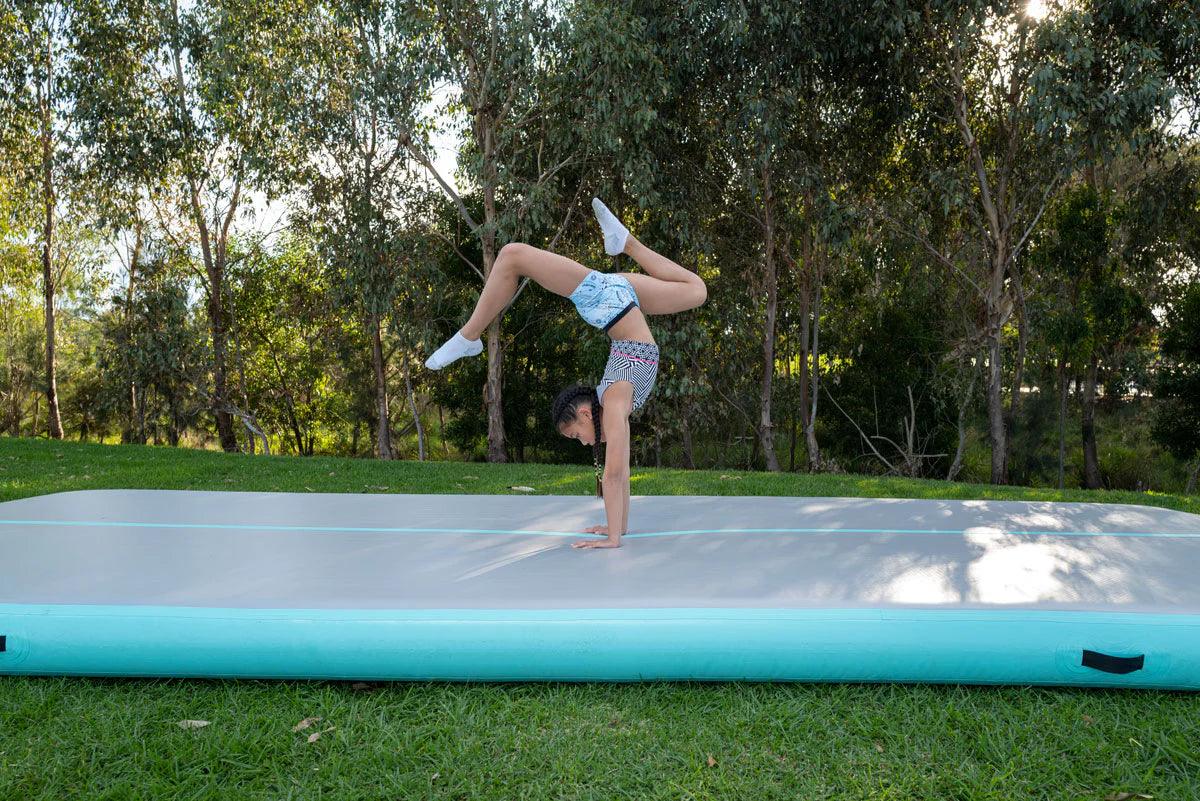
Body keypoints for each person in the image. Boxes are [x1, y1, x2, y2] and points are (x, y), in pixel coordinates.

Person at [425, 198, 707, 548]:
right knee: (697, 291)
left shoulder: (616, 400)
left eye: (577, 435)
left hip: (611, 302)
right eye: (579, 438)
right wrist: (617, 530)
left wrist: (613, 536)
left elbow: (616, 474)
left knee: (513, 255)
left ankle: (470, 337)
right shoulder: (616, 403)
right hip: (621, 299)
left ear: (586, 412)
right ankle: (626, 244)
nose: (586, 442)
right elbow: (621, 475)